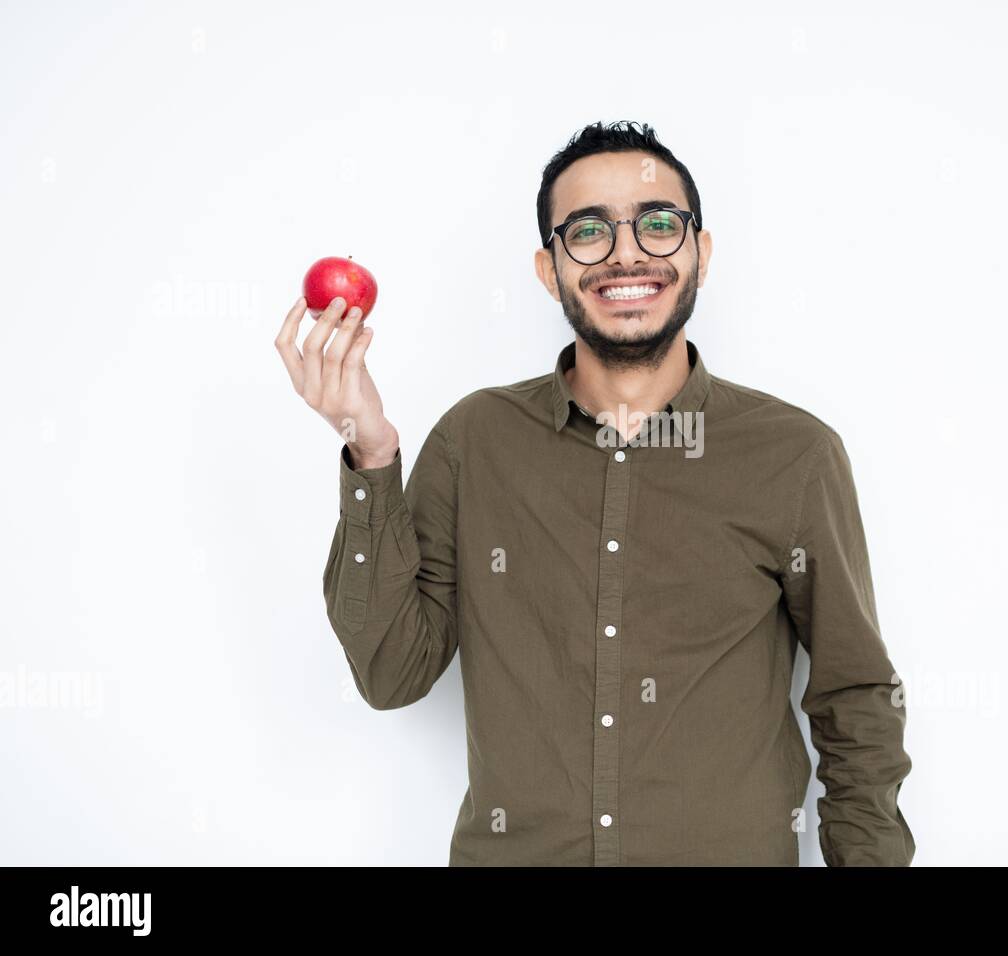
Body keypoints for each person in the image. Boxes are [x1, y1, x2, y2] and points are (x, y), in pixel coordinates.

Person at [274, 120, 916, 867]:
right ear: (549, 270)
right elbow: (391, 673)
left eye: (657, 224)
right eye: (588, 231)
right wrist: (371, 450)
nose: (626, 253)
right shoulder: (474, 441)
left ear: (700, 254)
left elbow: (856, 698)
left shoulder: (794, 455)